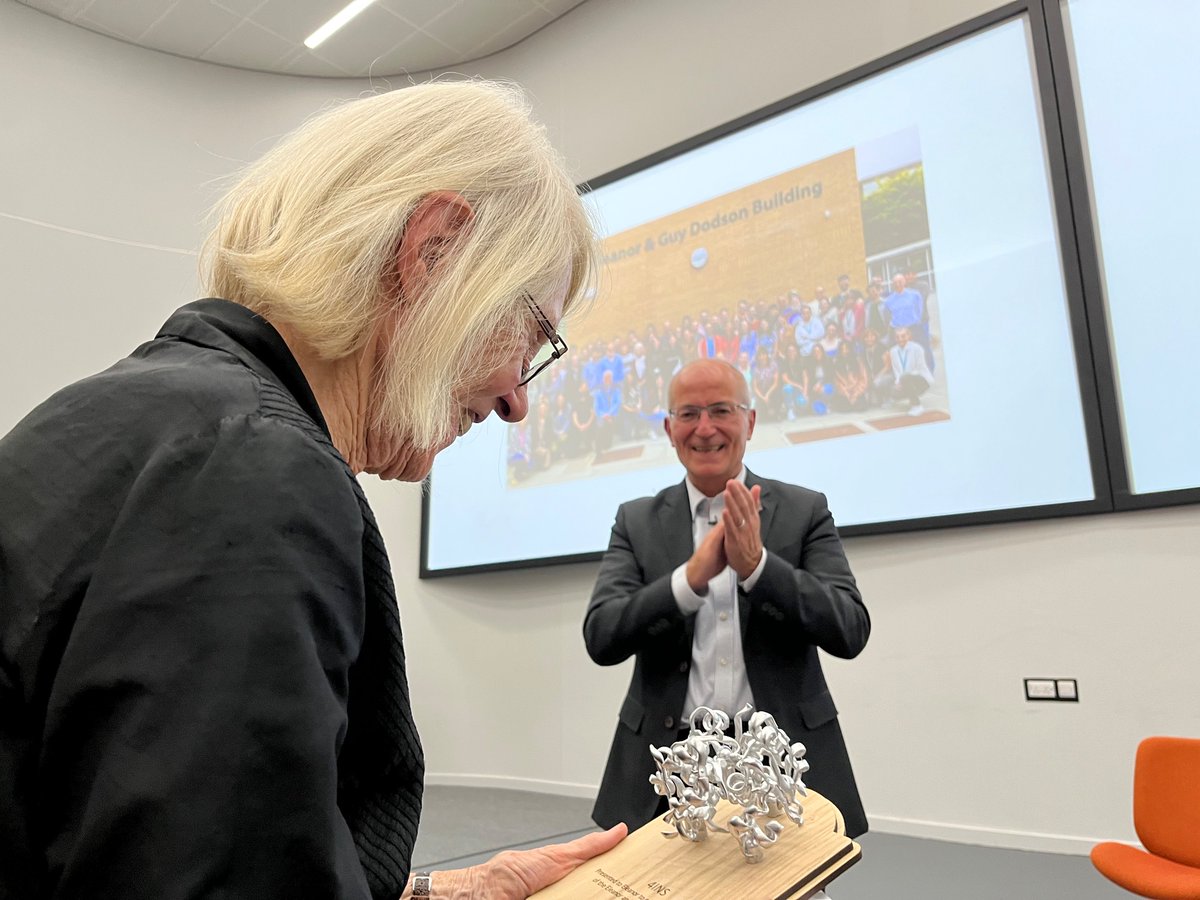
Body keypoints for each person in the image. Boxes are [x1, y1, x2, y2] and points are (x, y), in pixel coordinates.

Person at [0, 81, 626, 900]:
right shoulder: (254, 473)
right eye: (534, 335)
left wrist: (458, 892)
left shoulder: (154, 413)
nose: (518, 398)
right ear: (433, 252)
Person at [583, 358, 870, 842]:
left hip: (781, 764)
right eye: (689, 413)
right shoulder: (636, 521)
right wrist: (689, 580)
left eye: (721, 410)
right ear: (669, 428)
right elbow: (602, 636)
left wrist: (759, 568)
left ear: (750, 421)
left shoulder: (805, 510)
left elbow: (849, 628)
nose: (705, 428)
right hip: (667, 767)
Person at [887, 327, 935, 415]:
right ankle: (909, 395)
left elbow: (920, 368)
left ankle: (917, 406)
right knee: (894, 392)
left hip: (922, 380)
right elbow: (896, 370)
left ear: (909, 336)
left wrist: (903, 378)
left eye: (903, 336)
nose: (900, 339)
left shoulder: (917, 348)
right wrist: (898, 382)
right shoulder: (893, 351)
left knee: (905, 377)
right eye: (897, 337)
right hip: (905, 379)